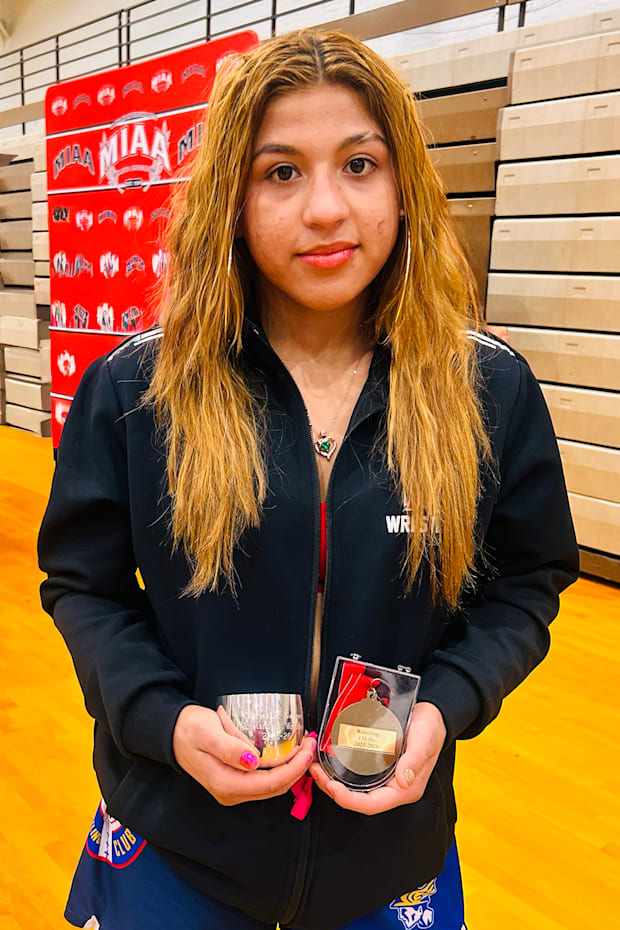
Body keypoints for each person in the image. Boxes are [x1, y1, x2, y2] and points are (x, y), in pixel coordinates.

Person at [37, 28, 579, 930]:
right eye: (281, 172)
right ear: (231, 198)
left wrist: (443, 709)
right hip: (178, 842)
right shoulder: (137, 389)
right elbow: (84, 586)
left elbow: (525, 584)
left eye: (360, 165)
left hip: (389, 852)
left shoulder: (488, 388)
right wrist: (163, 721)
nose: (326, 208)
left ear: (404, 188)